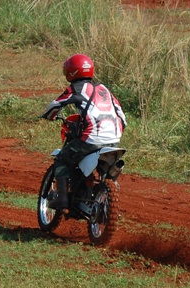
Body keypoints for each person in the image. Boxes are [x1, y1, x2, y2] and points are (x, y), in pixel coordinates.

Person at [41, 54, 127, 208]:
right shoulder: (104, 89)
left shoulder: (76, 88)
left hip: (92, 138)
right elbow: (121, 116)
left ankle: (62, 198)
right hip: (115, 138)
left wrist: (48, 116)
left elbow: (55, 105)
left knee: (62, 159)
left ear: (71, 72)